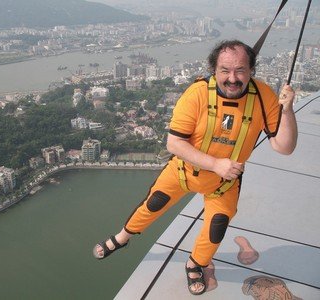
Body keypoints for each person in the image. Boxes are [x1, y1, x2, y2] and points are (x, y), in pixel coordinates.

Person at [92, 40, 298, 296]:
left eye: (240, 70)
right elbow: (174, 143)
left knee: (217, 226)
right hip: (183, 172)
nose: (232, 78)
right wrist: (216, 163)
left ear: (251, 70)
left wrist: (287, 111)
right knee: (152, 204)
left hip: (224, 184)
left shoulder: (264, 97)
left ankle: (196, 263)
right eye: (225, 70)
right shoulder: (197, 93)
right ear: (214, 69)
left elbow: (284, 147)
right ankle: (123, 237)